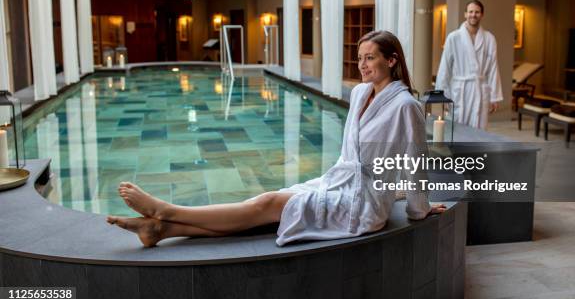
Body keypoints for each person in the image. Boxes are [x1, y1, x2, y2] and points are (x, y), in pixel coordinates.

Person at [107, 30, 445, 247]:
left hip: (361, 206)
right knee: (267, 209)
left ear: (391, 60)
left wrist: (419, 209)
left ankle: (166, 210)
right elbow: (352, 154)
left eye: (369, 58)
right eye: (359, 58)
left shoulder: (405, 106)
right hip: (337, 182)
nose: (362, 65)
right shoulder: (359, 94)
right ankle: (162, 230)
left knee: (267, 203)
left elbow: (414, 163)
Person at [435, 0, 503, 130]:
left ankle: (477, 150)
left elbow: (494, 68)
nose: (473, 15)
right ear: (465, 14)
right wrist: (443, 95)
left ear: (482, 15)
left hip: (480, 90)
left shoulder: (489, 39)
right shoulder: (453, 37)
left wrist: (494, 97)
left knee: (479, 129)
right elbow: (445, 68)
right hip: (460, 90)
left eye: (477, 12)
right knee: (457, 127)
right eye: (471, 12)